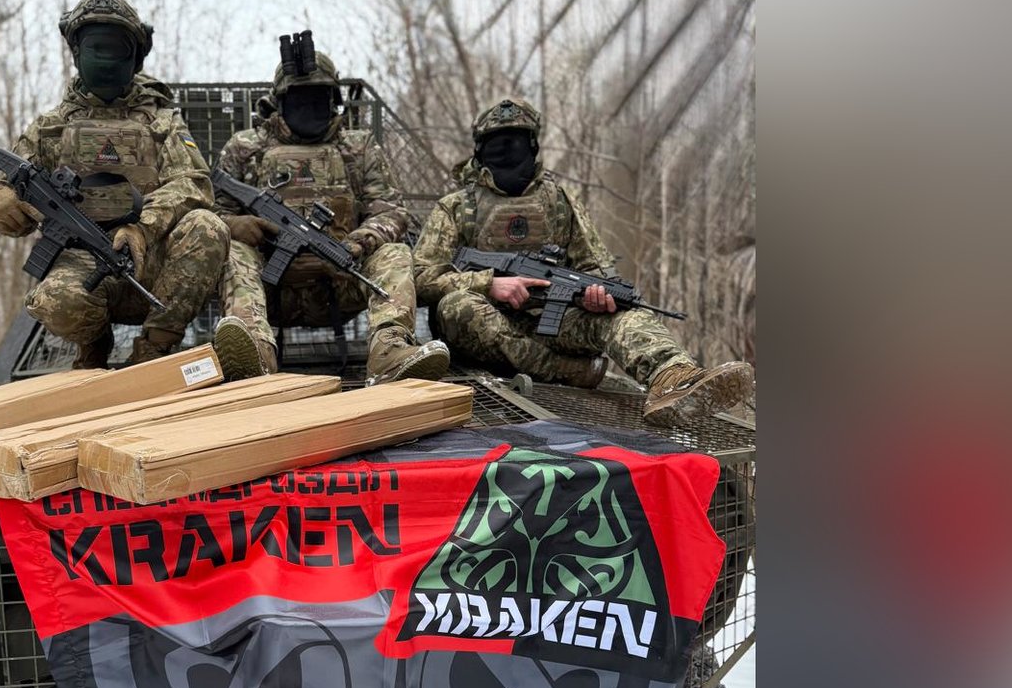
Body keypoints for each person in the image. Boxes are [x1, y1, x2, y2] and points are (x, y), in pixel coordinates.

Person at [414, 96, 754, 427]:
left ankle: (673, 378)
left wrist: (594, 296)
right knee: (457, 307)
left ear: (532, 145)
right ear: (479, 149)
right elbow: (420, 276)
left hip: (552, 322)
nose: (507, 150)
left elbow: (593, 267)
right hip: (483, 331)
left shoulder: (560, 202)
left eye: (516, 140)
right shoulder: (457, 207)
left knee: (625, 313)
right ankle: (565, 371)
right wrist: (489, 284)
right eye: (497, 142)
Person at [0, 0, 227, 367]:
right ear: (77, 52)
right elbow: (6, 185)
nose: (106, 58)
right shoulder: (51, 127)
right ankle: (94, 345)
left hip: (152, 269)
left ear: (135, 56)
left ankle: (153, 350)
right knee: (55, 302)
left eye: (116, 47)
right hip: (81, 265)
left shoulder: (162, 123)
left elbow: (194, 184)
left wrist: (141, 229)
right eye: (97, 46)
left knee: (207, 226)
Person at [209, 40, 448, 385]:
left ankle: (389, 351)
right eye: (299, 97)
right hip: (268, 289)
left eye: (319, 96)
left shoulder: (359, 147)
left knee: (394, 253)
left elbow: (392, 211)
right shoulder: (246, 147)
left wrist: (356, 243)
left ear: (334, 100)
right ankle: (255, 357)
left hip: (341, 282)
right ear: (280, 101)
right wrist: (235, 224)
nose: (309, 105)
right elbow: (210, 213)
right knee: (233, 251)